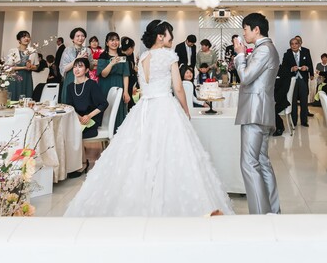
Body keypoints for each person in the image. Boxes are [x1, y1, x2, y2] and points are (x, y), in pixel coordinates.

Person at [64, 19, 234, 217]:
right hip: (165, 106)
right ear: (160, 37)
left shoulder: (143, 56)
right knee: (168, 152)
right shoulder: (169, 56)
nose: (172, 37)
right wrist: (186, 110)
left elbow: (144, 86)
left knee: (139, 152)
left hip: (144, 108)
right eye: (169, 34)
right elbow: (178, 88)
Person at [233, 12, 280, 214]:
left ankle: (260, 216)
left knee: (249, 164)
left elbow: (245, 77)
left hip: (254, 112)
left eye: (245, 29)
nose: (244, 34)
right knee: (262, 163)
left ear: (256, 29)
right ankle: (272, 212)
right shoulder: (267, 48)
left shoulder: (264, 50)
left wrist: (240, 55)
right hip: (262, 112)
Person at [65, 57, 109, 178]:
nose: (76, 69)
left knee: (74, 132)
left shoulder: (92, 84)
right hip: (78, 119)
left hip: (92, 120)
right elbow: (69, 106)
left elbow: (104, 104)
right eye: (75, 66)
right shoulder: (70, 87)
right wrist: (79, 117)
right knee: (65, 130)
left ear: (87, 70)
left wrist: (88, 116)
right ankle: (71, 164)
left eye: (80, 66)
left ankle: (83, 164)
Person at [96, 32, 130, 133]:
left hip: (119, 84)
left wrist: (126, 91)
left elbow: (125, 75)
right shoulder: (103, 56)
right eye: (112, 40)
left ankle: (118, 135)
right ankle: (106, 134)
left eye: (116, 40)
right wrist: (111, 64)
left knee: (118, 109)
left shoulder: (123, 56)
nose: (115, 42)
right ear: (107, 43)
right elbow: (103, 74)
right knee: (106, 108)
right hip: (105, 86)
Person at [280, 36, 313, 128]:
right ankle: (293, 121)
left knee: (304, 100)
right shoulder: (287, 54)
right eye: (292, 44)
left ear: (299, 45)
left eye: (296, 44)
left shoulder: (305, 52)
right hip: (292, 80)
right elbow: (283, 68)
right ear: (290, 45)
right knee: (293, 101)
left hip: (303, 79)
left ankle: (304, 121)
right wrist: (291, 69)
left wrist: (307, 68)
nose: (294, 45)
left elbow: (310, 64)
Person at [59, 28, 91, 104]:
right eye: (78, 36)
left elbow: (91, 67)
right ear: (72, 38)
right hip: (71, 78)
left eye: (82, 36)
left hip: (84, 79)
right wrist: (77, 59)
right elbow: (64, 68)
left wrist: (88, 61)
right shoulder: (67, 50)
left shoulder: (88, 50)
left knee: (84, 102)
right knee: (69, 102)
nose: (80, 38)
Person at [6, 31, 38, 101]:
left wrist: (31, 67)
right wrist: (24, 67)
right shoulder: (13, 51)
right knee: (14, 98)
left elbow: (36, 67)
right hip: (15, 78)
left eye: (28, 37)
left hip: (27, 78)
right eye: (24, 37)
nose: (26, 38)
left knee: (26, 98)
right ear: (19, 40)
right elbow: (8, 67)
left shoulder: (33, 51)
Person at [120, 36, 138, 111]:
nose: (133, 50)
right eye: (133, 48)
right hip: (126, 83)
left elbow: (132, 66)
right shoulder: (121, 57)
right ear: (130, 48)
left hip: (131, 82)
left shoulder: (130, 55)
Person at [273, 64, 291, 136]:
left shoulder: (284, 70)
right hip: (268, 99)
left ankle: (280, 126)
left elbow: (284, 89)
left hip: (280, 100)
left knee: (270, 108)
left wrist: (274, 99)